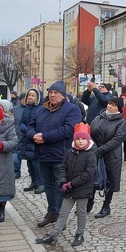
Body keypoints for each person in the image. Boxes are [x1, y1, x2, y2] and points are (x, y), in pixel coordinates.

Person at [26, 81, 83, 227]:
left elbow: (68, 129)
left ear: (63, 95)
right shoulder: (41, 110)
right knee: (48, 185)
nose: (52, 95)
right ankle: (52, 212)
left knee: (61, 186)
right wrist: (33, 135)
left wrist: (44, 137)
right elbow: (30, 125)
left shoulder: (72, 109)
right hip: (43, 154)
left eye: (56, 92)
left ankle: (60, 216)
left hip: (61, 155)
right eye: (50, 92)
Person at [36, 124, 97, 247]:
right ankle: (54, 234)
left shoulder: (90, 154)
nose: (80, 141)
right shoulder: (70, 152)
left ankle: (79, 234)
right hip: (69, 189)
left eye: (83, 139)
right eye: (78, 139)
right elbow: (63, 168)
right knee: (63, 212)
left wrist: (72, 184)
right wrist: (63, 182)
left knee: (81, 212)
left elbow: (88, 174)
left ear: (88, 140)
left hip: (82, 189)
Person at [89, 97, 126, 217]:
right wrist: (94, 148)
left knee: (110, 180)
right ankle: (89, 202)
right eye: (109, 104)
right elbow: (89, 133)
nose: (110, 106)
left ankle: (106, 206)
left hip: (112, 155)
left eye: (114, 105)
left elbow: (117, 139)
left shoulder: (121, 122)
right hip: (95, 152)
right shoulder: (98, 117)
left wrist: (101, 150)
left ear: (119, 108)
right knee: (91, 177)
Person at [19, 88, 44, 194]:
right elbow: (21, 123)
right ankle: (34, 181)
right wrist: (27, 130)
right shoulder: (26, 110)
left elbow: (40, 123)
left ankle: (41, 183)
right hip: (27, 139)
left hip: (35, 139)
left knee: (36, 163)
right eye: (29, 95)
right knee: (30, 163)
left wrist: (31, 132)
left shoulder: (41, 109)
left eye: (33, 95)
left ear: (37, 98)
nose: (30, 97)